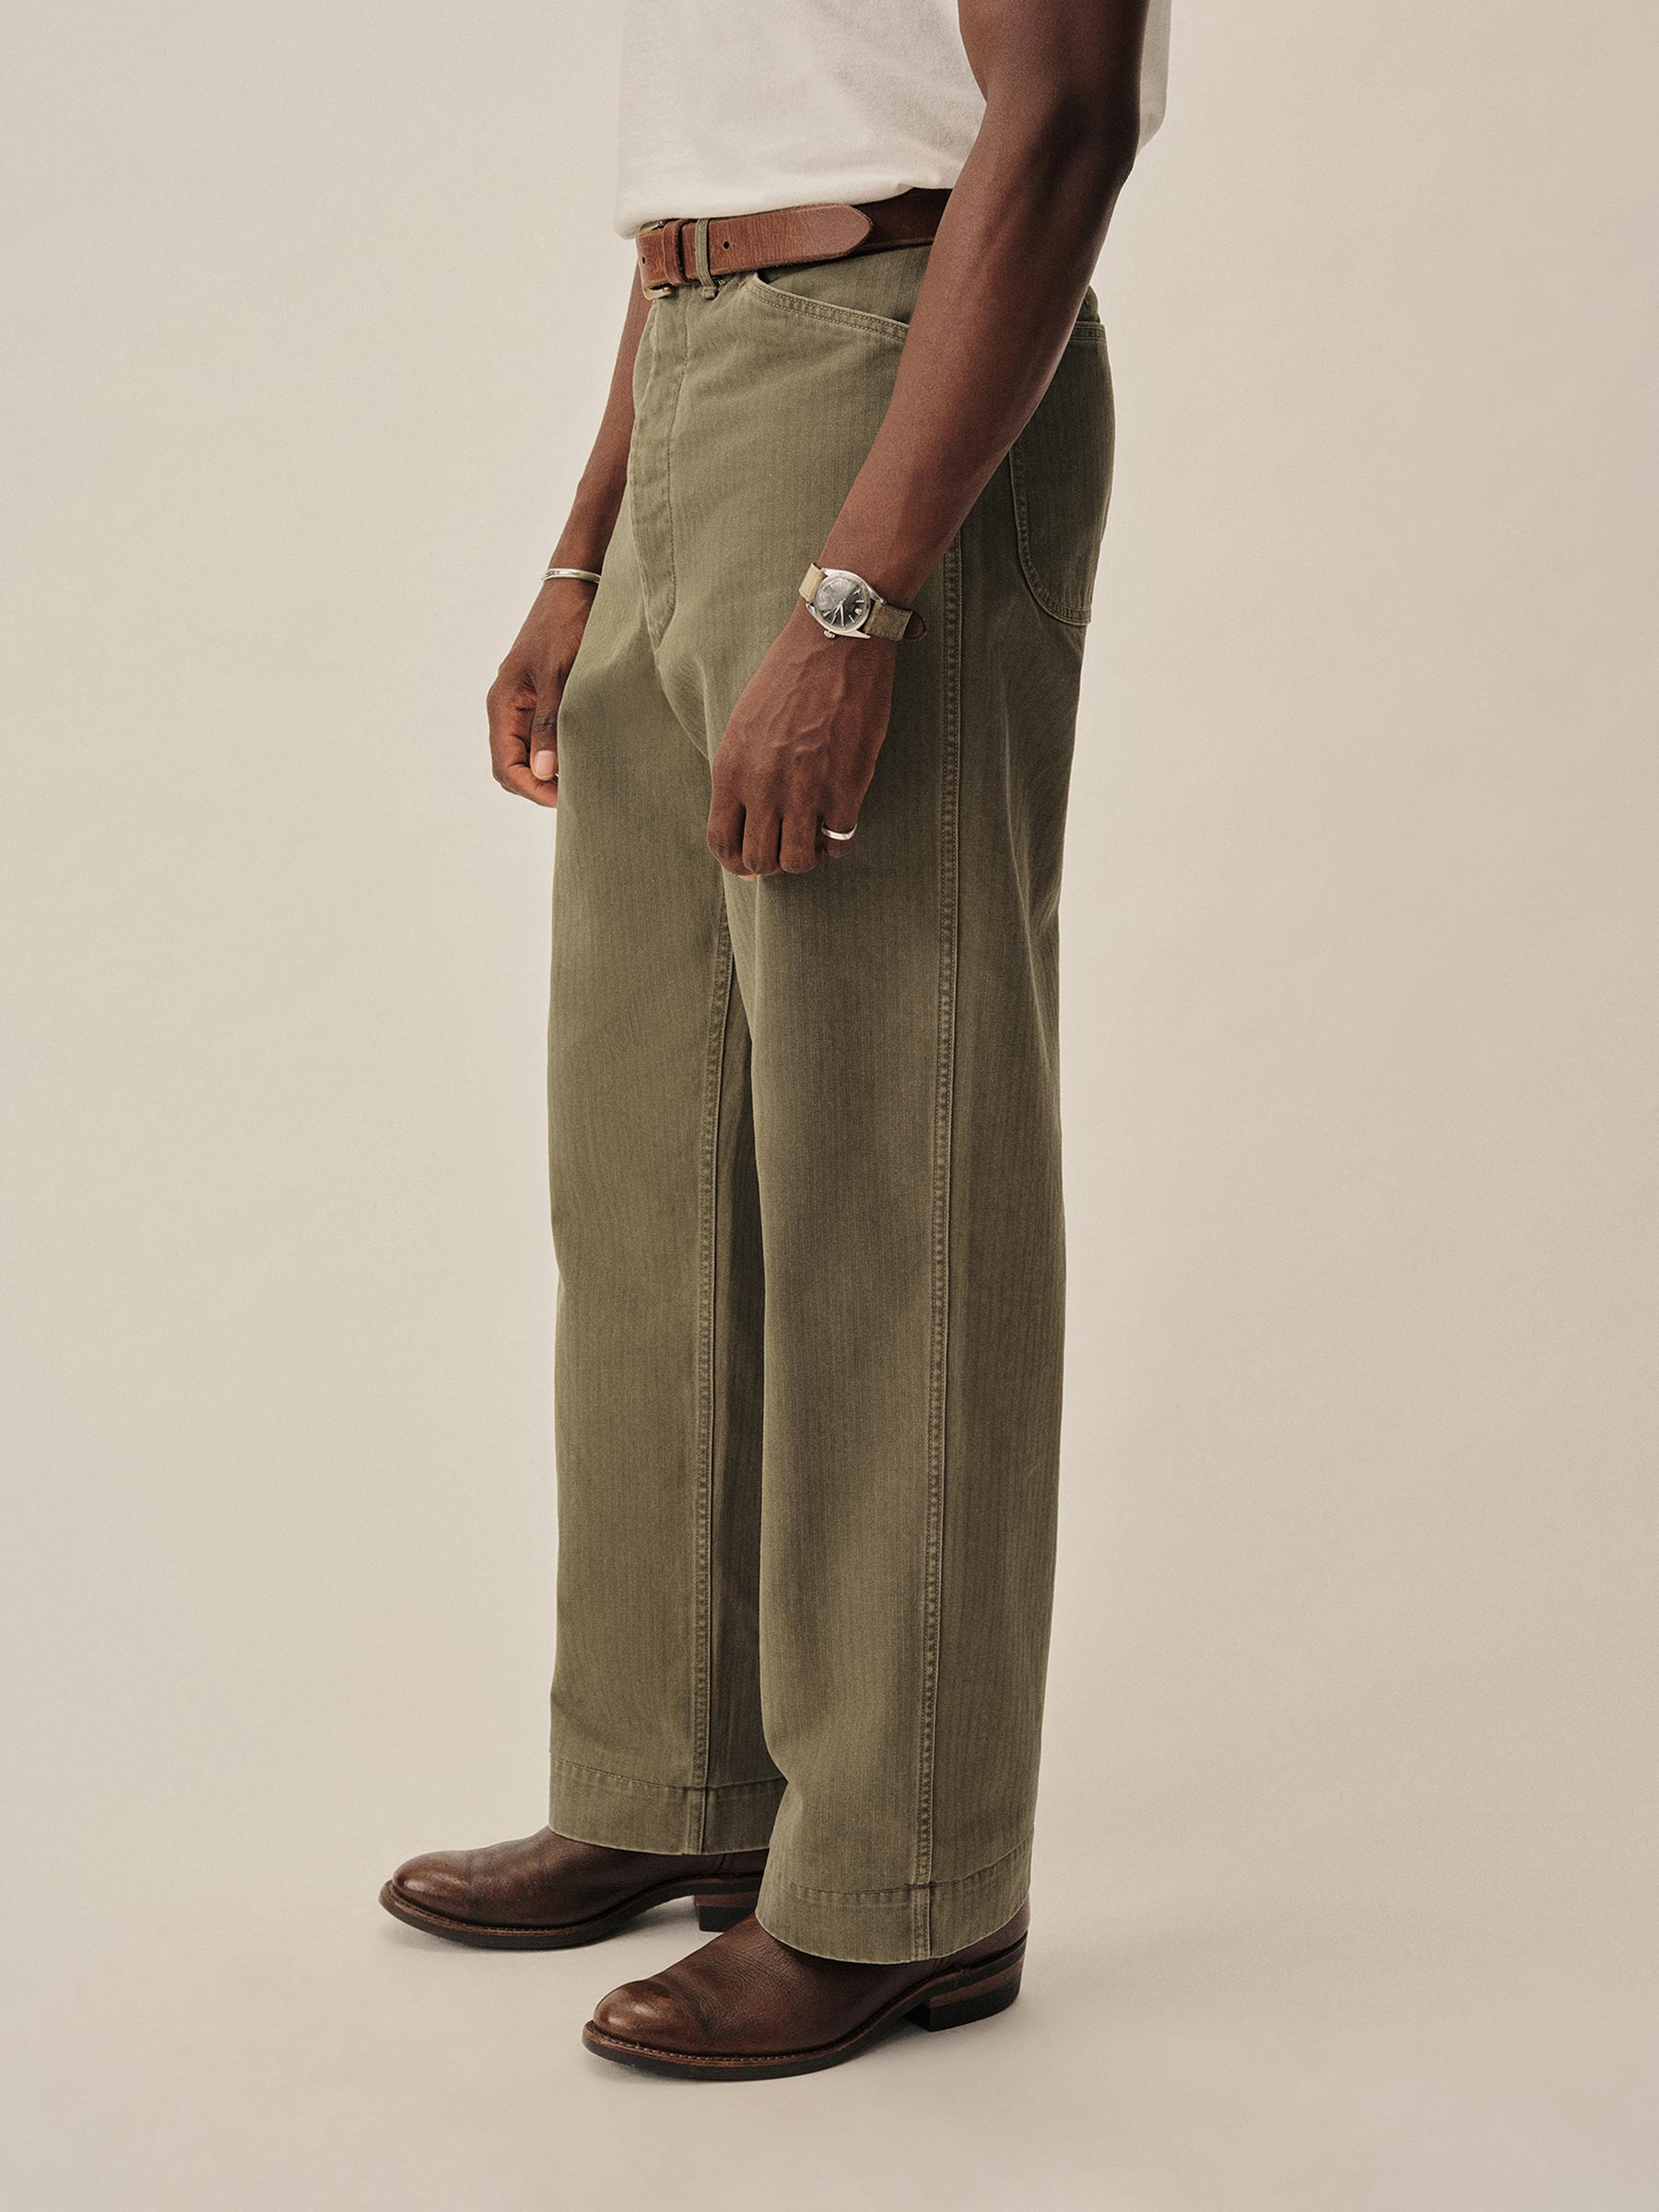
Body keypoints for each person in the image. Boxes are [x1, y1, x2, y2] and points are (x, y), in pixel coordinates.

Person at [381, 0, 1171, 2080]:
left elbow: (1062, 121)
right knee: (650, 1153)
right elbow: (716, 175)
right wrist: (586, 546)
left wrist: (856, 600)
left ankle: (911, 1885)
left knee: (893, 1153)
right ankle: (674, 1774)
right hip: (694, 366)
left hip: (893, 382)